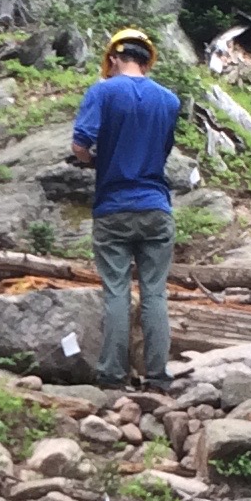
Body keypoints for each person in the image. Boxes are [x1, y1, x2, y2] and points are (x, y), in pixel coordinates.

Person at [71, 26, 186, 391]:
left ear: (114, 58)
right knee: (154, 293)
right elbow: (163, 150)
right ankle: (157, 376)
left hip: (113, 207)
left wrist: (93, 160)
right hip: (156, 206)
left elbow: (79, 145)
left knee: (117, 291)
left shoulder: (102, 92)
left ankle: (112, 375)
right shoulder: (168, 100)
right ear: (146, 61)